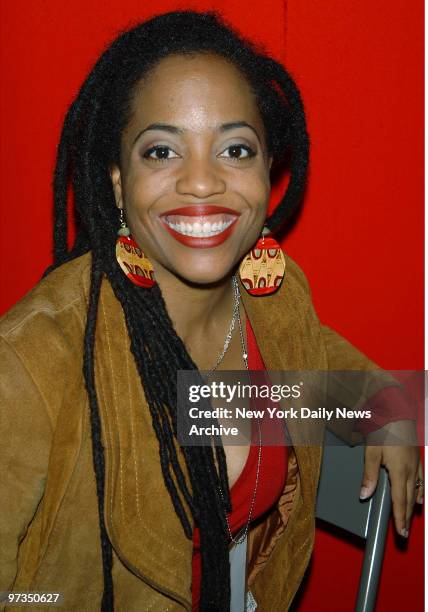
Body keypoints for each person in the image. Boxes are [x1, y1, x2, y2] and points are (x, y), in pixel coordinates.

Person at [0, 9, 423, 612]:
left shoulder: (270, 304)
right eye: (162, 150)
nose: (203, 182)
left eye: (235, 148)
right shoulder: (32, 361)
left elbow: (312, 361)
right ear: (118, 182)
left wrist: (389, 401)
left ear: (266, 170)